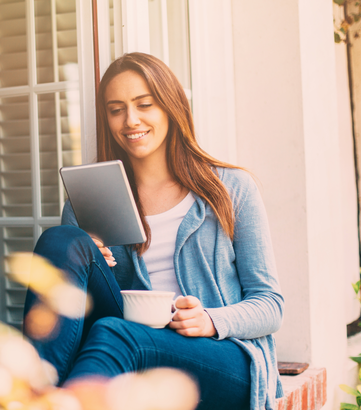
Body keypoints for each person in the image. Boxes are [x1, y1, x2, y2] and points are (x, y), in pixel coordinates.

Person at [23, 52, 284, 410]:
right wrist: (92, 264)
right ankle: (38, 390)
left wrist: (211, 319)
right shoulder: (91, 203)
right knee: (61, 240)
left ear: (170, 106)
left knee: (116, 334)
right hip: (124, 342)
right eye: (116, 110)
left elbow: (270, 305)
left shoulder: (230, 189)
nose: (131, 120)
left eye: (144, 104)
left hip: (221, 357)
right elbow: (71, 321)